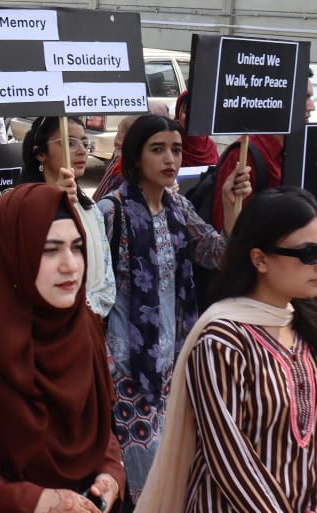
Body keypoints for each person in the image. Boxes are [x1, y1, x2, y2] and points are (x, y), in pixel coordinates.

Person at [0, 183, 126, 513]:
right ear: (12, 255)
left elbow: (98, 428)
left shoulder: (82, 328)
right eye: (49, 250)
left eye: (77, 248)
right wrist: (32, 501)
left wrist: (110, 475)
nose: (70, 265)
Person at [97, 114, 252, 504]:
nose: (171, 159)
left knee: (176, 464)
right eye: (158, 149)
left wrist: (232, 204)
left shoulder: (178, 207)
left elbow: (218, 254)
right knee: (143, 472)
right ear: (134, 158)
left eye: (177, 150)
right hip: (125, 364)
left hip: (176, 359)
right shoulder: (110, 212)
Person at [136, 186, 317, 513]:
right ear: (259, 259)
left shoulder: (302, 323)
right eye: (308, 255)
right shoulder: (222, 339)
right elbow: (229, 458)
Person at [20, 116, 116, 317]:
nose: (82, 151)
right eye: (69, 143)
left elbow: (107, 284)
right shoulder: (17, 206)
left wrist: (81, 314)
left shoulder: (90, 211)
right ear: (40, 154)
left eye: (85, 143)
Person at [211, 72, 316, 230]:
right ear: (278, 101)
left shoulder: (306, 150)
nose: (311, 106)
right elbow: (227, 235)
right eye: (304, 97)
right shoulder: (243, 156)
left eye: (311, 98)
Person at [173, 90, 217, 167]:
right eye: (186, 111)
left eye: (197, 112)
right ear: (178, 113)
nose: (192, 118)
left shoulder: (210, 146)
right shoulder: (169, 141)